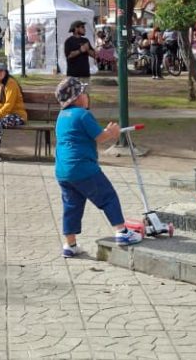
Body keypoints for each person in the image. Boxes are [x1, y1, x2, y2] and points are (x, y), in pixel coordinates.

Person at [53, 77, 143, 257]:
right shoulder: (83, 114)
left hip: (63, 171)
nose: (87, 96)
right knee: (108, 196)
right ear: (77, 97)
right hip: (83, 168)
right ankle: (122, 232)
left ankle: (70, 245)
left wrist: (106, 132)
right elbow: (100, 137)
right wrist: (112, 132)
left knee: (71, 206)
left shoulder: (61, 116)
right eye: (84, 93)